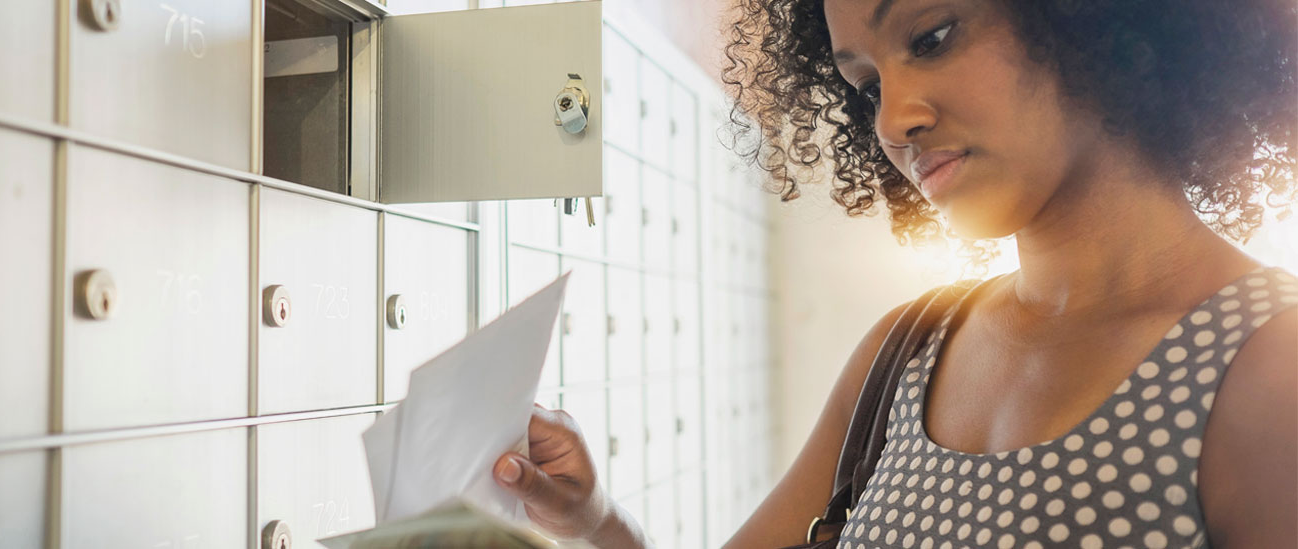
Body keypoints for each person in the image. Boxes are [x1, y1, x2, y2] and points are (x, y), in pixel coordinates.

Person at [490, 0, 1298, 547]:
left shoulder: (1269, 364)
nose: (892, 118)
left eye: (932, 36)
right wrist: (594, 519)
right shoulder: (906, 349)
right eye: (866, 83)